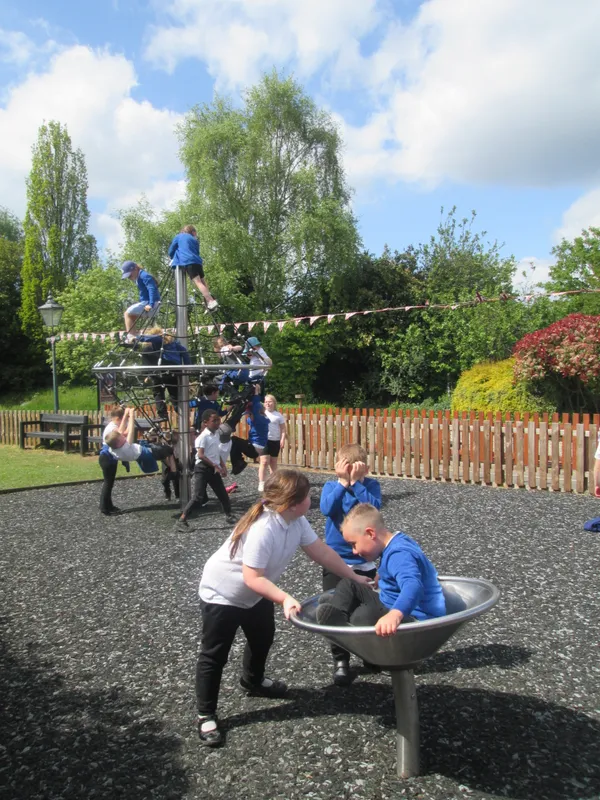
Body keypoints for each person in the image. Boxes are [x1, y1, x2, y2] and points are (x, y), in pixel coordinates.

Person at [194, 468, 373, 747]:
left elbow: (321, 552)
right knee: (215, 654)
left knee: (263, 637)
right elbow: (251, 577)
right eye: (307, 496)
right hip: (223, 594)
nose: (311, 499)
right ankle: (206, 714)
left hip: (256, 592)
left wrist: (352, 575)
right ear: (292, 502)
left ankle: (252, 682)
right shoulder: (264, 528)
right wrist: (284, 597)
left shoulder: (296, 520)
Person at [316, 504, 447, 636]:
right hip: (389, 602)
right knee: (348, 583)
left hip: (415, 617)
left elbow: (413, 586)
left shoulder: (398, 554)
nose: (354, 551)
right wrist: (383, 573)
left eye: (353, 544)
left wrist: (395, 615)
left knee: (362, 616)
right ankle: (337, 610)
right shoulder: (397, 541)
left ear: (370, 533)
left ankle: (341, 617)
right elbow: (401, 568)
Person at [319, 443, 382, 685]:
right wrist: (343, 483)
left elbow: (373, 510)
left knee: (370, 607)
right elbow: (326, 508)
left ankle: (370, 654)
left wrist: (357, 484)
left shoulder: (370, 486)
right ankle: (341, 659)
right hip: (337, 559)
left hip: (364, 560)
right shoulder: (331, 486)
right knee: (336, 608)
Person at [175, 409, 236, 532]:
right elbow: (201, 455)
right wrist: (216, 466)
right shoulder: (203, 437)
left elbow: (216, 452)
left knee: (222, 494)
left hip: (213, 468)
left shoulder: (216, 434)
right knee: (198, 497)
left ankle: (229, 515)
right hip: (202, 469)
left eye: (218, 420)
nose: (218, 422)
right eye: (214, 421)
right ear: (205, 422)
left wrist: (222, 465)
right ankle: (181, 520)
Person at [130, 327, 191, 420]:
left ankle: (163, 414)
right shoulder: (174, 343)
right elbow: (184, 352)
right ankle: (179, 410)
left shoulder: (158, 340)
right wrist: (188, 366)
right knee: (174, 394)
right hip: (174, 371)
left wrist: (136, 338)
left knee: (158, 392)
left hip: (164, 370)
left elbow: (149, 339)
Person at [104, 407, 177, 476]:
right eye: (122, 438)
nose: (123, 437)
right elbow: (130, 432)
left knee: (162, 452)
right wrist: (131, 416)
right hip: (147, 453)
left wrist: (126, 415)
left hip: (142, 450)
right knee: (169, 450)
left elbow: (119, 434)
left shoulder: (113, 450)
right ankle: (174, 473)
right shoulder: (125, 447)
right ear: (119, 444)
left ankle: (169, 467)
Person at [168, 225, 218, 311]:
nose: (196, 235)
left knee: (198, 282)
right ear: (192, 232)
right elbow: (197, 251)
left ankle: (211, 301)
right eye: (195, 233)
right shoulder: (194, 240)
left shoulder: (178, 237)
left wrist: (173, 257)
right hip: (198, 262)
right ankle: (208, 302)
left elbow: (171, 250)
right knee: (203, 281)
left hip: (188, 261)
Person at [230, 385, 270, 490]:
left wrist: (256, 392)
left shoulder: (259, 420)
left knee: (234, 440)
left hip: (253, 449)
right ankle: (239, 461)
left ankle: (238, 463)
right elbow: (250, 418)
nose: (248, 417)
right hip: (255, 447)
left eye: (250, 414)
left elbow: (256, 406)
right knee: (236, 443)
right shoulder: (261, 420)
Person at [98, 405, 130, 515]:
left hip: (110, 458)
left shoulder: (113, 425)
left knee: (110, 483)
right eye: (122, 420)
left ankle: (109, 505)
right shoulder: (112, 427)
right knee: (108, 482)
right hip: (106, 458)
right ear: (118, 419)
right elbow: (122, 433)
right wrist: (128, 418)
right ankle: (104, 507)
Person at [121, 261, 161, 336]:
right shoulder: (140, 277)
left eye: (130, 275)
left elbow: (152, 289)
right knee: (131, 317)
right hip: (149, 303)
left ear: (135, 268)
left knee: (127, 314)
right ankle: (134, 335)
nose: (129, 278)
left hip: (151, 304)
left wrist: (151, 304)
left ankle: (131, 337)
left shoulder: (144, 275)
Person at [264, 394, 287, 476]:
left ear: (274, 403)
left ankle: (273, 479)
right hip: (265, 441)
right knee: (265, 461)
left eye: (269, 401)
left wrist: (282, 439)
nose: (268, 403)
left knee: (273, 462)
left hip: (275, 441)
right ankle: (262, 481)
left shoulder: (278, 415)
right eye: (266, 402)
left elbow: (283, 429)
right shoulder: (262, 413)